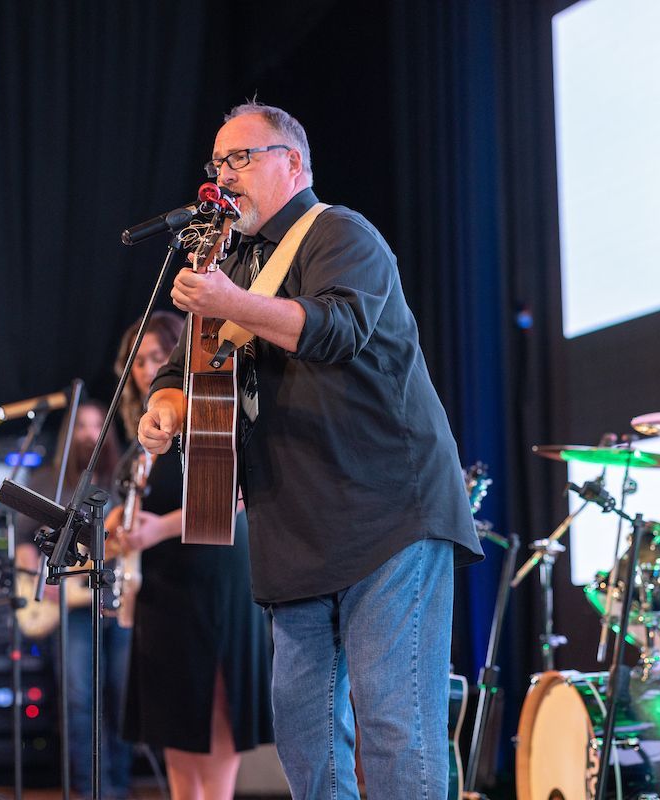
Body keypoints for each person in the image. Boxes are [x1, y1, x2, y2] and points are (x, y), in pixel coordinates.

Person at [138, 102, 485, 799]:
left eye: (241, 158)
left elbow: (337, 328)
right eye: (217, 163)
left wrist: (230, 300)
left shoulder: (341, 232)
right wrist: (165, 409)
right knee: (304, 736)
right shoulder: (229, 261)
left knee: (393, 728)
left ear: (292, 163)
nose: (224, 176)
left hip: (388, 514)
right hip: (291, 530)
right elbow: (184, 371)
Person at [109, 310, 273, 800]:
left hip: (214, 568)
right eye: (138, 361)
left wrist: (157, 528)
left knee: (219, 698)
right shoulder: (138, 437)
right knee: (171, 708)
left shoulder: (210, 409)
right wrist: (123, 523)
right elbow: (135, 501)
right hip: (163, 583)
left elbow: (232, 497)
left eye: (158, 358)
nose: (145, 370)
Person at [15, 400, 132, 800]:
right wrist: (38, 578)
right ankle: (92, 790)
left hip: (118, 605)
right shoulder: (49, 481)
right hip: (72, 609)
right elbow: (23, 541)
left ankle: (120, 787)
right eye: (82, 425)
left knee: (122, 700)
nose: (89, 434)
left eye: (97, 425)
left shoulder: (122, 480)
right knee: (81, 702)